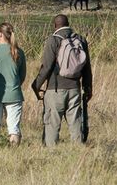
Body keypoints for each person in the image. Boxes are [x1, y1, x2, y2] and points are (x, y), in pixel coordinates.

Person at [31, 14, 93, 147]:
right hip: (75, 88)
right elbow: (87, 67)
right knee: (75, 121)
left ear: (55, 25)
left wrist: (36, 85)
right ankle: (78, 149)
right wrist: (88, 87)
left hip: (55, 89)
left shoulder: (53, 40)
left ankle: (52, 152)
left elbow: (46, 67)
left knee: (52, 123)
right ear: (68, 23)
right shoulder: (80, 39)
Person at [0, 22, 27, 145]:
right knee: (14, 128)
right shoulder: (19, 52)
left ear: (0, 35)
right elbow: (22, 75)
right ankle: (14, 151)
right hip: (14, 93)